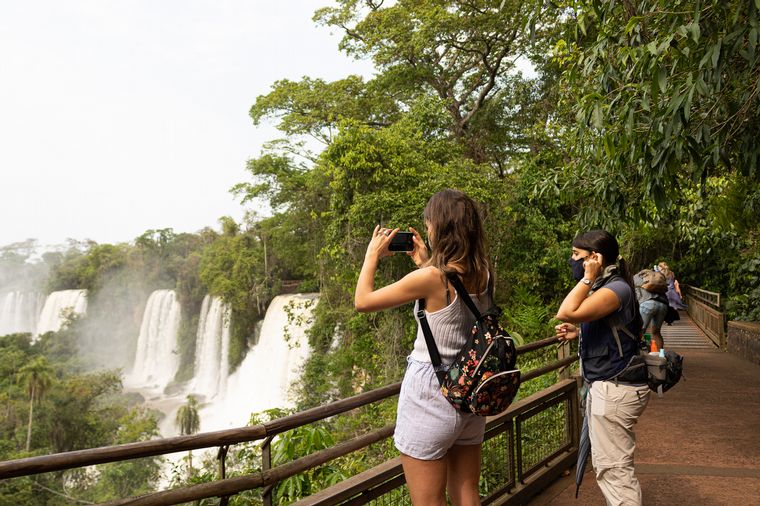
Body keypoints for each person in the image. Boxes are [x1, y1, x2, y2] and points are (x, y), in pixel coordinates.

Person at [355, 189, 492, 506]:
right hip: (468, 388)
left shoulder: (432, 277)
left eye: (429, 224)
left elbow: (363, 301)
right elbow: (450, 294)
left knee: (428, 502)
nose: (427, 229)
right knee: (466, 493)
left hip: (431, 393)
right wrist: (425, 260)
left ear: (440, 228)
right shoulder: (483, 271)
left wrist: (372, 255)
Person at [554, 230, 650, 506]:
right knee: (609, 466)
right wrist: (578, 332)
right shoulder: (609, 286)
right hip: (610, 386)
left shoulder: (615, 288)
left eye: (576, 255)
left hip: (615, 389)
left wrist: (587, 277)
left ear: (595, 258)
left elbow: (566, 310)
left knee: (615, 471)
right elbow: (608, 327)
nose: (572, 260)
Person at [633, 269, 669, 350]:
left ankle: (638, 356)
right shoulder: (657, 278)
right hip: (663, 305)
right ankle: (661, 356)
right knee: (656, 332)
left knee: (640, 332)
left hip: (647, 304)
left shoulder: (636, 277)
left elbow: (635, 295)